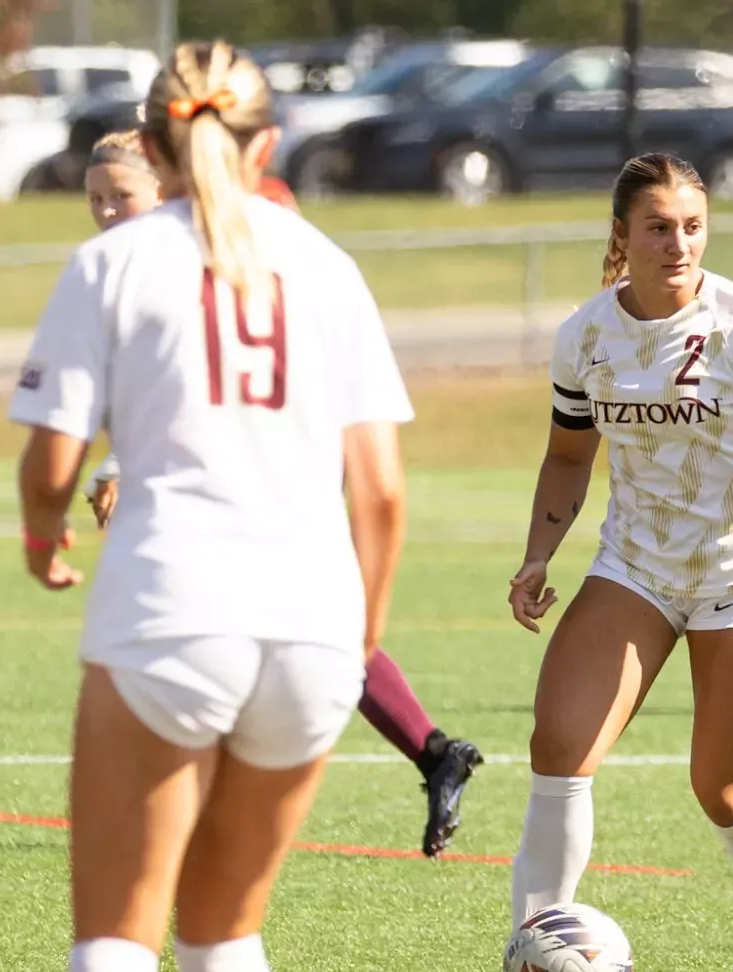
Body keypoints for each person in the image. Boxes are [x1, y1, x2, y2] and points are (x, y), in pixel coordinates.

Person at [10, 42, 413, 972]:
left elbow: (52, 464)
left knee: (116, 933)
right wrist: (357, 633)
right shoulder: (326, 264)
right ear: (267, 144)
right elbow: (379, 492)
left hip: (172, 611)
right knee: (226, 931)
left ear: (147, 146)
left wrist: (40, 535)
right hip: (314, 628)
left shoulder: (116, 260)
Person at [440, 153, 733, 972]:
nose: (679, 243)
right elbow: (569, 454)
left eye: (693, 226)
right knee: (558, 748)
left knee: (725, 790)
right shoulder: (587, 335)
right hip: (635, 566)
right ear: (622, 235)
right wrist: (538, 555)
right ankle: (527, 960)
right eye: (659, 227)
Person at [79, 139, 484, 858]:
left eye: (123, 195)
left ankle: (212, 794)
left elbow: (222, 371)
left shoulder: (231, 233)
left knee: (237, 624)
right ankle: (431, 750)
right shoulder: (141, 263)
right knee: (289, 622)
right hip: (244, 470)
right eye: (97, 199)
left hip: (280, 462)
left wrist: (109, 468)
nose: (109, 211)